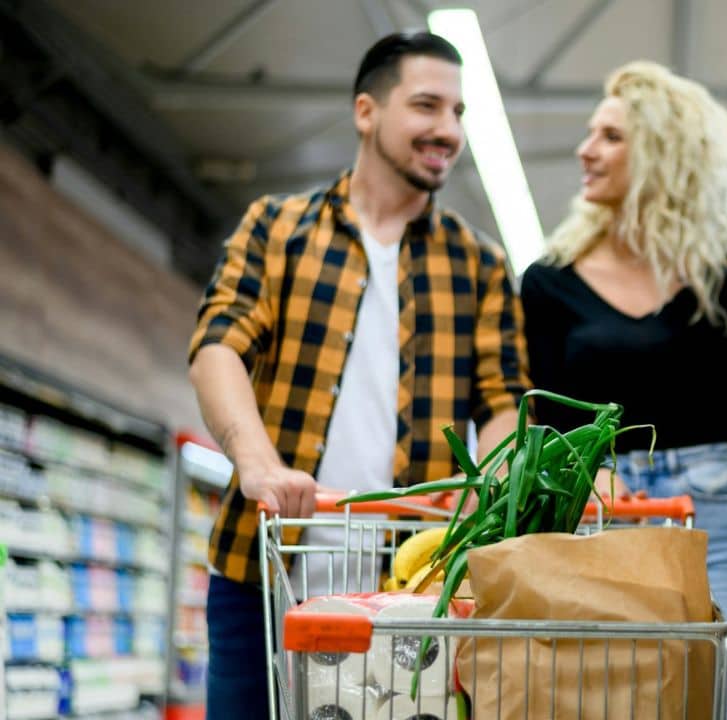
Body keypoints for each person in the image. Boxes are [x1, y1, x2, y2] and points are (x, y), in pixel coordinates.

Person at [187, 32, 529, 720]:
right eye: (427, 106)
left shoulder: (480, 267)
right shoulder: (277, 229)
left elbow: (504, 402)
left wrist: (491, 493)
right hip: (262, 567)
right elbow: (218, 345)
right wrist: (257, 466)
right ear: (366, 112)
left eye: (459, 114)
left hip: (411, 584)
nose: (447, 130)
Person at [520, 61, 727, 717]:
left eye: (610, 136)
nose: (585, 150)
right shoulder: (549, 282)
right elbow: (547, 425)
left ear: (663, 152)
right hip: (600, 520)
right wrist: (585, 480)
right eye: (590, 134)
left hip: (717, 526)